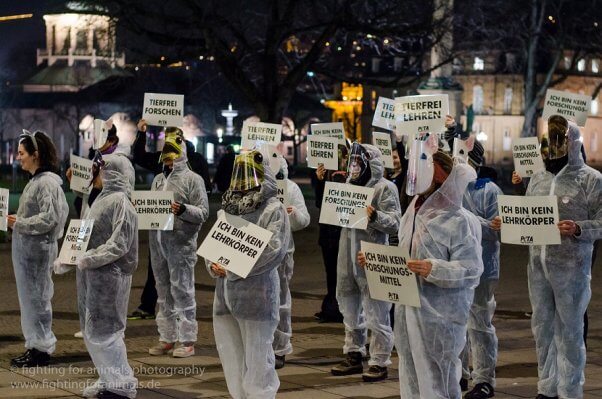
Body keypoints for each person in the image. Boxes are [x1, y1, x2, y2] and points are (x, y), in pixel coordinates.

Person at [497, 117, 601, 399]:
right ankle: (547, 386)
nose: (553, 148)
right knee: (542, 328)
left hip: (572, 268)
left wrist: (579, 228)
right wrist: (508, 221)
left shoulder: (591, 179)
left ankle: (570, 390)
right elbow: (529, 217)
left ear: (572, 143)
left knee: (569, 331)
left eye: (560, 141)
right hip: (538, 267)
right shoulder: (539, 178)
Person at [386, 140, 484, 398]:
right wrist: (378, 262)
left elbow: (472, 269)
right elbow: (404, 253)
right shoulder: (413, 211)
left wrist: (434, 269)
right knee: (410, 375)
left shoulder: (460, 220)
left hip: (440, 316)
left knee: (440, 380)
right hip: (408, 313)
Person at [206, 150, 290, 398]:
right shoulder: (230, 208)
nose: (243, 179)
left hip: (258, 297)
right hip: (226, 297)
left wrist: (231, 268)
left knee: (258, 360)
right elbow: (217, 243)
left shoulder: (273, 209)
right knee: (233, 356)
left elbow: (273, 251)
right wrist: (213, 265)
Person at [64, 152, 138, 399]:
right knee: (93, 331)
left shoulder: (121, 203)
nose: (95, 174)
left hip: (109, 277)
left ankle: (122, 385)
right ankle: (109, 379)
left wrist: (89, 258)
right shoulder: (100, 200)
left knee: (107, 333)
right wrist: (69, 259)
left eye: (100, 169)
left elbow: (120, 244)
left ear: (111, 174)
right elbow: (84, 236)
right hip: (94, 276)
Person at [331, 143, 400, 382]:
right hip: (347, 253)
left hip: (372, 254)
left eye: (358, 163)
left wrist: (374, 216)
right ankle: (353, 352)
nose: (353, 167)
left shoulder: (385, 188)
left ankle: (379, 360)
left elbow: (395, 222)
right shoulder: (350, 186)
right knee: (349, 303)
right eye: (352, 163)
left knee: (377, 308)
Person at [128, 119, 210, 320]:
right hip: (159, 232)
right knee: (159, 281)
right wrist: (142, 134)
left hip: (181, 235)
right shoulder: (160, 170)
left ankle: (186, 331)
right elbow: (139, 156)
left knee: (181, 285)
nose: (168, 161)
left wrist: (184, 208)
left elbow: (203, 203)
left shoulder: (195, 164)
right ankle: (163, 327)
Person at [8, 130, 69, 368]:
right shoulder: (37, 182)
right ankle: (34, 346)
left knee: (38, 301)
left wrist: (18, 223)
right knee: (31, 302)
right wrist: (17, 220)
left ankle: (41, 349)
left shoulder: (46, 183)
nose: (18, 157)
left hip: (37, 254)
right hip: (29, 253)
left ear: (36, 155)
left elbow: (50, 219)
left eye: (22, 153)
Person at [148, 128, 209, 358]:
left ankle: (187, 339)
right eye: (166, 153)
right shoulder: (157, 180)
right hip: (158, 244)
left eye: (172, 153)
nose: (168, 158)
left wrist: (183, 210)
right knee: (163, 291)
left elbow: (203, 212)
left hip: (181, 244)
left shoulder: (194, 180)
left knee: (183, 290)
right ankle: (167, 337)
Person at [460, 140, 503, 399]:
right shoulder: (450, 188)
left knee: (480, 324)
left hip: (483, 267)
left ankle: (484, 379)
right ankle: (461, 372)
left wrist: (465, 219)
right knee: (458, 324)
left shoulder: (490, 191)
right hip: (458, 267)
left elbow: (497, 230)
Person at [273, 155, 310, 369]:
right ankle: (263, 344)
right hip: (260, 252)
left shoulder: (291, 189)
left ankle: (280, 348)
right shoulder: (258, 187)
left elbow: (304, 220)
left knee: (281, 301)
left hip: (283, 252)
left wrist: (293, 213)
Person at [312, 144, 349, 323]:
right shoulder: (326, 178)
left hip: (345, 234)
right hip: (328, 234)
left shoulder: (351, 178)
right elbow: (320, 203)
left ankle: (342, 308)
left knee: (344, 274)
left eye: (341, 156)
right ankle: (331, 307)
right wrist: (319, 181)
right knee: (331, 273)